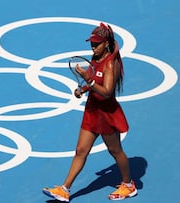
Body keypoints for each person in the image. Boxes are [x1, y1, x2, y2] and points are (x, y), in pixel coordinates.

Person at [42, 23, 137, 201]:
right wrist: (83, 89)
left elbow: (107, 92)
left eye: (97, 44)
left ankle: (129, 185)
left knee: (115, 151)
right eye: (92, 44)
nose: (93, 47)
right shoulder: (95, 58)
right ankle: (64, 189)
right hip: (93, 111)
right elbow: (93, 80)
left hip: (107, 114)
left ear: (106, 44)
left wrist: (89, 81)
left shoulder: (111, 64)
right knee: (80, 150)